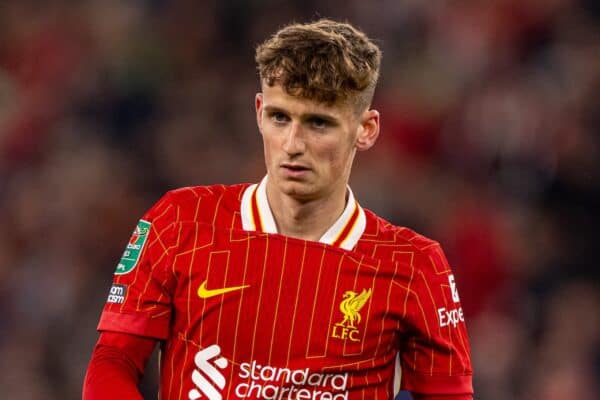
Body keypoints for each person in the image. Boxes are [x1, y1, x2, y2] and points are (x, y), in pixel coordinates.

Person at [83, 19, 473, 400]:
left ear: (366, 129)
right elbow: (113, 360)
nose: (292, 144)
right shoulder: (182, 221)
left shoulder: (414, 265)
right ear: (258, 111)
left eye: (318, 123)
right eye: (279, 117)